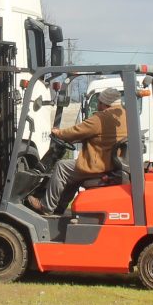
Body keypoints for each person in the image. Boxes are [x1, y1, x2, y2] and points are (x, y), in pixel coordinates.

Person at [27, 87, 127, 215]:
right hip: (111, 163)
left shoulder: (101, 118)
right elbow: (102, 136)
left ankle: (46, 206)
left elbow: (76, 131)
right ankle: (60, 208)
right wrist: (77, 140)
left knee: (62, 167)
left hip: (99, 165)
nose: (98, 105)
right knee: (73, 174)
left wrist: (58, 133)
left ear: (104, 103)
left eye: (99, 102)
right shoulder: (123, 115)